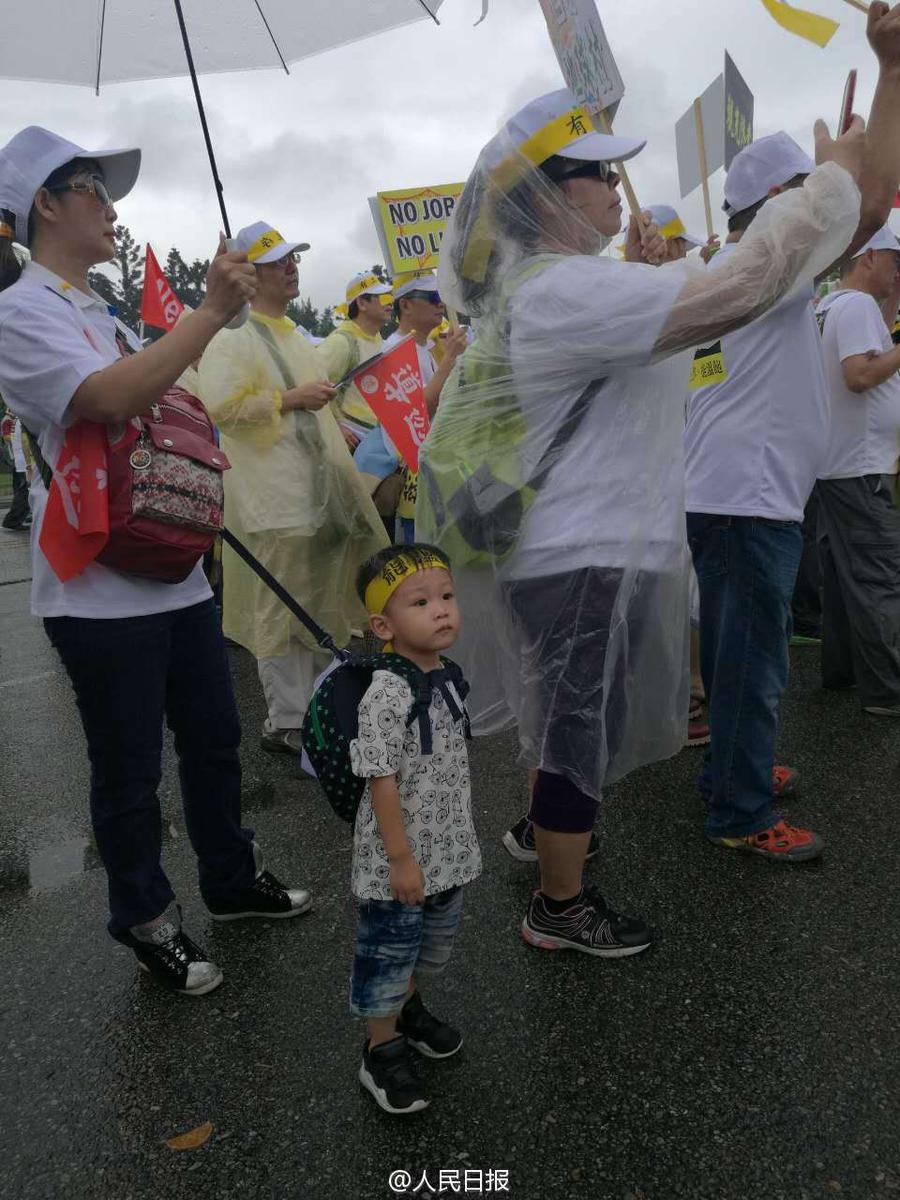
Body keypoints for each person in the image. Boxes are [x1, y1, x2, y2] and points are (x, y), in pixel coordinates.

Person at [417, 84, 865, 955]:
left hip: (567, 549)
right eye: (595, 172)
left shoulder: (551, 287)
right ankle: (559, 906)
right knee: (583, 722)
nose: (615, 186)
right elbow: (741, 285)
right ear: (548, 193)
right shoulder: (562, 294)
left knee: (577, 716)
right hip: (576, 552)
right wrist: (830, 188)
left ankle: (542, 832)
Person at [0, 126, 313, 997]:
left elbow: (163, 397)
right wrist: (208, 313)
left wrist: (211, 323)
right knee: (129, 768)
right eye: (92, 189)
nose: (109, 206)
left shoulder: (100, 310)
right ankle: (145, 918)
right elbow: (104, 400)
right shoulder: (19, 313)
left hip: (173, 570)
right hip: (96, 593)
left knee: (214, 741)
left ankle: (230, 879)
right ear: (46, 205)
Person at [685, 8, 900, 859]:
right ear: (778, 206)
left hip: (734, 495)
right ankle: (739, 811)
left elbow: (865, 196)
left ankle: (734, 768)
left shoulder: (733, 269)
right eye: (805, 191)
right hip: (746, 502)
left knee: (743, 652)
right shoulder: (772, 265)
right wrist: (890, 68)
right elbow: (875, 196)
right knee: (752, 659)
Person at [198, 221, 388, 754]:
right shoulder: (235, 334)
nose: (291, 267)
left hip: (317, 494)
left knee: (320, 603)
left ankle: (322, 709)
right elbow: (223, 407)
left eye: (293, 258)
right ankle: (287, 720)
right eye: (278, 260)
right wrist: (289, 400)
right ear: (249, 275)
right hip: (271, 500)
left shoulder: (296, 337)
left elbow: (313, 405)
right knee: (280, 608)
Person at [349, 544, 481, 1115]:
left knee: (424, 946)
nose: (441, 610)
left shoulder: (447, 675)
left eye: (447, 596)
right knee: (387, 954)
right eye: (421, 602)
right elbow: (381, 778)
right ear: (383, 625)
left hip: (445, 848)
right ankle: (380, 1050)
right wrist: (400, 859)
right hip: (397, 860)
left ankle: (410, 1010)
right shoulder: (386, 692)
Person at [816, 225, 900, 715]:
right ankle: (888, 690)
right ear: (868, 256)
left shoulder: (831, 305)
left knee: (846, 578)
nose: (896, 271)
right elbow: (861, 374)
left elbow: (870, 351)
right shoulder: (856, 307)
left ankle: (845, 672)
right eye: (894, 260)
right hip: (863, 466)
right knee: (878, 577)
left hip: (839, 465)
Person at [383, 274, 467, 543]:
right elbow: (416, 413)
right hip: (413, 479)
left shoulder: (424, 348)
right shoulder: (395, 348)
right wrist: (450, 359)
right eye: (431, 298)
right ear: (405, 305)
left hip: (432, 471)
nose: (440, 305)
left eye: (440, 298)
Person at [317, 271, 392, 449]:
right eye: (382, 298)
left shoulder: (379, 339)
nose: (390, 302)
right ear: (362, 303)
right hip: (353, 445)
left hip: (376, 442)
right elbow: (307, 386)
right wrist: (335, 427)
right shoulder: (342, 342)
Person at [1, 411, 31, 531]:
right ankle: (13, 519)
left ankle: (16, 518)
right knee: (25, 491)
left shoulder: (15, 420)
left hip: (20, 459)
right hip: (24, 460)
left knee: (23, 490)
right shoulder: (18, 420)